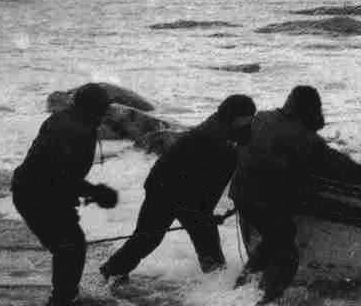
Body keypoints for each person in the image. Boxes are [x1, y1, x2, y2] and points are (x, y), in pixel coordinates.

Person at [230, 86, 361, 305]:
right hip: (263, 199)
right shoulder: (305, 138)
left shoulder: (262, 118)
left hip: (240, 192)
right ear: (310, 111)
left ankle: (237, 292)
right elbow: (340, 167)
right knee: (287, 257)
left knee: (275, 238)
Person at [99, 94, 257, 283]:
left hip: (180, 188)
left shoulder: (228, 130)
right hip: (165, 189)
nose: (252, 120)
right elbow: (209, 183)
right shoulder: (215, 139)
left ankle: (216, 283)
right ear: (237, 117)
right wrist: (206, 213)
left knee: (203, 240)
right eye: (249, 116)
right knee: (149, 237)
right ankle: (111, 271)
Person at [10, 83, 119, 306]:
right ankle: (62, 301)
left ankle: (65, 296)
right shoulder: (74, 130)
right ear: (90, 108)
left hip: (41, 191)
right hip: (35, 194)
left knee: (70, 245)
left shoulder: (71, 120)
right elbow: (60, 175)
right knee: (71, 246)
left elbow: (62, 175)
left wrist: (88, 192)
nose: (105, 114)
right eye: (102, 108)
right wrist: (96, 192)